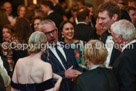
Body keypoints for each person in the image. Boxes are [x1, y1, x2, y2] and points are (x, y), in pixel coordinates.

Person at [41, 19, 81, 91]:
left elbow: (76, 67)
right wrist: (63, 75)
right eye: (47, 33)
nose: (52, 35)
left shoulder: (67, 47)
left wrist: (78, 73)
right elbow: (43, 78)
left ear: (56, 30)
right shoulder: (42, 53)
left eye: (53, 31)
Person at [111, 19, 136, 91]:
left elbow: (127, 86)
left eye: (113, 36)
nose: (112, 39)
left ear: (120, 38)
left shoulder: (125, 57)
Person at [97, 1, 121, 67]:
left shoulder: (124, 37)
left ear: (114, 17)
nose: (99, 22)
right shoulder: (104, 35)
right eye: (99, 18)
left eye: (103, 18)